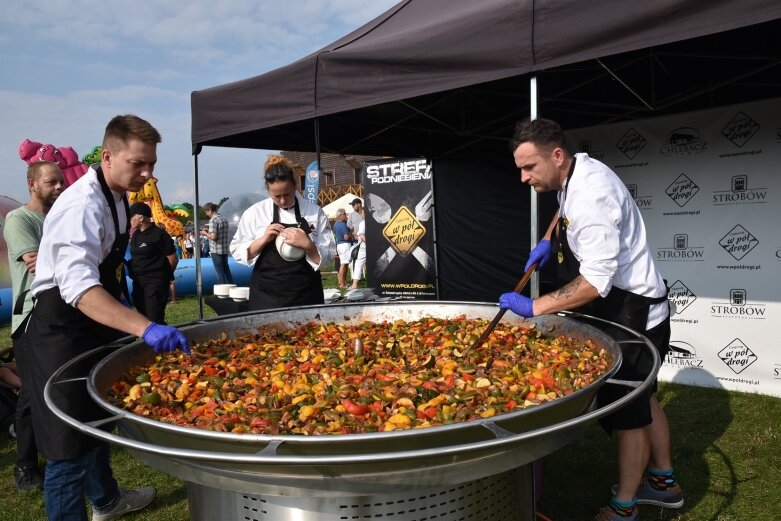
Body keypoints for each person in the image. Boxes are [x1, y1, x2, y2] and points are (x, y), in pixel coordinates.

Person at [499, 118, 682, 521]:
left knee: (630, 411)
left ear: (556, 156)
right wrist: (548, 240)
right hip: (623, 305)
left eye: (529, 168)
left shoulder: (592, 198)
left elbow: (595, 284)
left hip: (634, 313)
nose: (524, 178)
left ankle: (625, 506)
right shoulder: (577, 170)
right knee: (644, 396)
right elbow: (564, 207)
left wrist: (535, 307)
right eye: (520, 169)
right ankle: (664, 482)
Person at [19, 114, 190, 521]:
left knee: (95, 424)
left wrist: (128, 318)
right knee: (67, 450)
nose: (147, 174)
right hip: (57, 332)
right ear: (109, 156)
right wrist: (144, 327)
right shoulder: (80, 205)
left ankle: (108, 502)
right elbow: (78, 290)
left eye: (151, 165)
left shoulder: (118, 197)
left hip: (91, 327)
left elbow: (107, 275)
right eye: (138, 164)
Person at [3, 160, 64, 491]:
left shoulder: (57, 219)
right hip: (31, 317)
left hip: (59, 316)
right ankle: (25, 466)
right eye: (52, 182)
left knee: (55, 387)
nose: (59, 187)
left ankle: (57, 450)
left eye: (62, 182)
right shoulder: (19, 219)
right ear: (32, 184)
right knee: (30, 393)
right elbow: (36, 265)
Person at [230, 155, 335, 310]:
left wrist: (309, 245)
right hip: (267, 295)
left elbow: (329, 256)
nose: (283, 201)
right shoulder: (255, 213)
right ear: (268, 190)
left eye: (287, 194)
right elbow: (238, 252)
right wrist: (264, 239)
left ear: (295, 185)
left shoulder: (313, 212)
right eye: (276, 196)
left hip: (306, 294)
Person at [128, 203, 178, 324]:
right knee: (143, 316)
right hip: (139, 282)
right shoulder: (136, 235)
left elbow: (173, 258)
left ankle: (165, 340)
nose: (130, 221)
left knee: (154, 317)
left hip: (155, 282)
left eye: (131, 217)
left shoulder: (159, 234)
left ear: (141, 217)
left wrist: (162, 278)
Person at [201, 202, 233, 284]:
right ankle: (232, 288)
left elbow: (213, 237)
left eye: (206, 212)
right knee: (226, 270)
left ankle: (223, 292)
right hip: (224, 250)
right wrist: (209, 232)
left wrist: (205, 234)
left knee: (219, 273)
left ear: (210, 210)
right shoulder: (224, 219)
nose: (206, 214)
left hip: (216, 251)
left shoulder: (213, 220)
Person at [333, 208, 352, 288]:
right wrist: (351, 232)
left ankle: (343, 282)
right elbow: (346, 237)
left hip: (339, 245)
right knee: (344, 265)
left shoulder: (336, 224)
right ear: (340, 215)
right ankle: (342, 283)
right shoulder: (343, 224)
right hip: (344, 245)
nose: (346, 215)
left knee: (344, 264)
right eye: (344, 214)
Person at [349, 209, 367, 289]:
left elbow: (362, 236)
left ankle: (355, 284)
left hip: (365, 246)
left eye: (362, 212)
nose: (361, 214)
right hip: (374, 246)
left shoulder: (363, 223)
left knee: (358, 264)